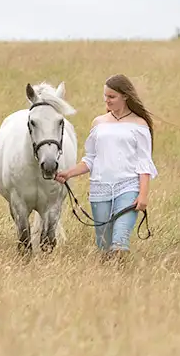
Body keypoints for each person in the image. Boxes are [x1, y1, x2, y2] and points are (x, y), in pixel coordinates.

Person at [54, 74, 157, 254]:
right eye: (105, 96)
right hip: (100, 188)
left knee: (119, 243)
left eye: (112, 97)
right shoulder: (99, 123)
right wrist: (68, 173)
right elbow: (90, 159)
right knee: (103, 245)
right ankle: (109, 278)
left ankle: (120, 272)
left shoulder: (139, 124)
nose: (107, 100)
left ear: (125, 96)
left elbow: (144, 163)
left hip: (128, 187)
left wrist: (143, 195)